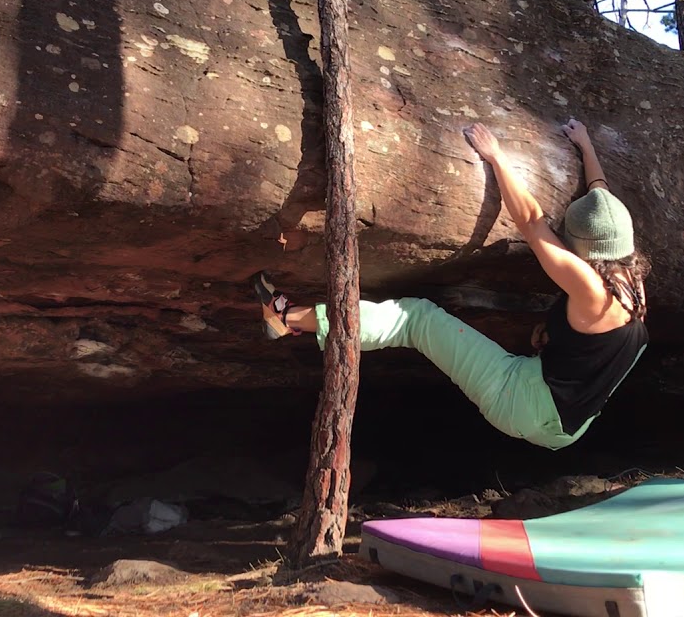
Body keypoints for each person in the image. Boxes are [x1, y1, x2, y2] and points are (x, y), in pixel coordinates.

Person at [250, 119, 650, 449]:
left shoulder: (589, 288)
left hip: (521, 402)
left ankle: (290, 319)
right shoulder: (634, 286)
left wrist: (496, 157)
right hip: (570, 428)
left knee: (417, 320)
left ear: (585, 252)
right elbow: (602, 196)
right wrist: (585, 146)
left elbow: (531, 222)